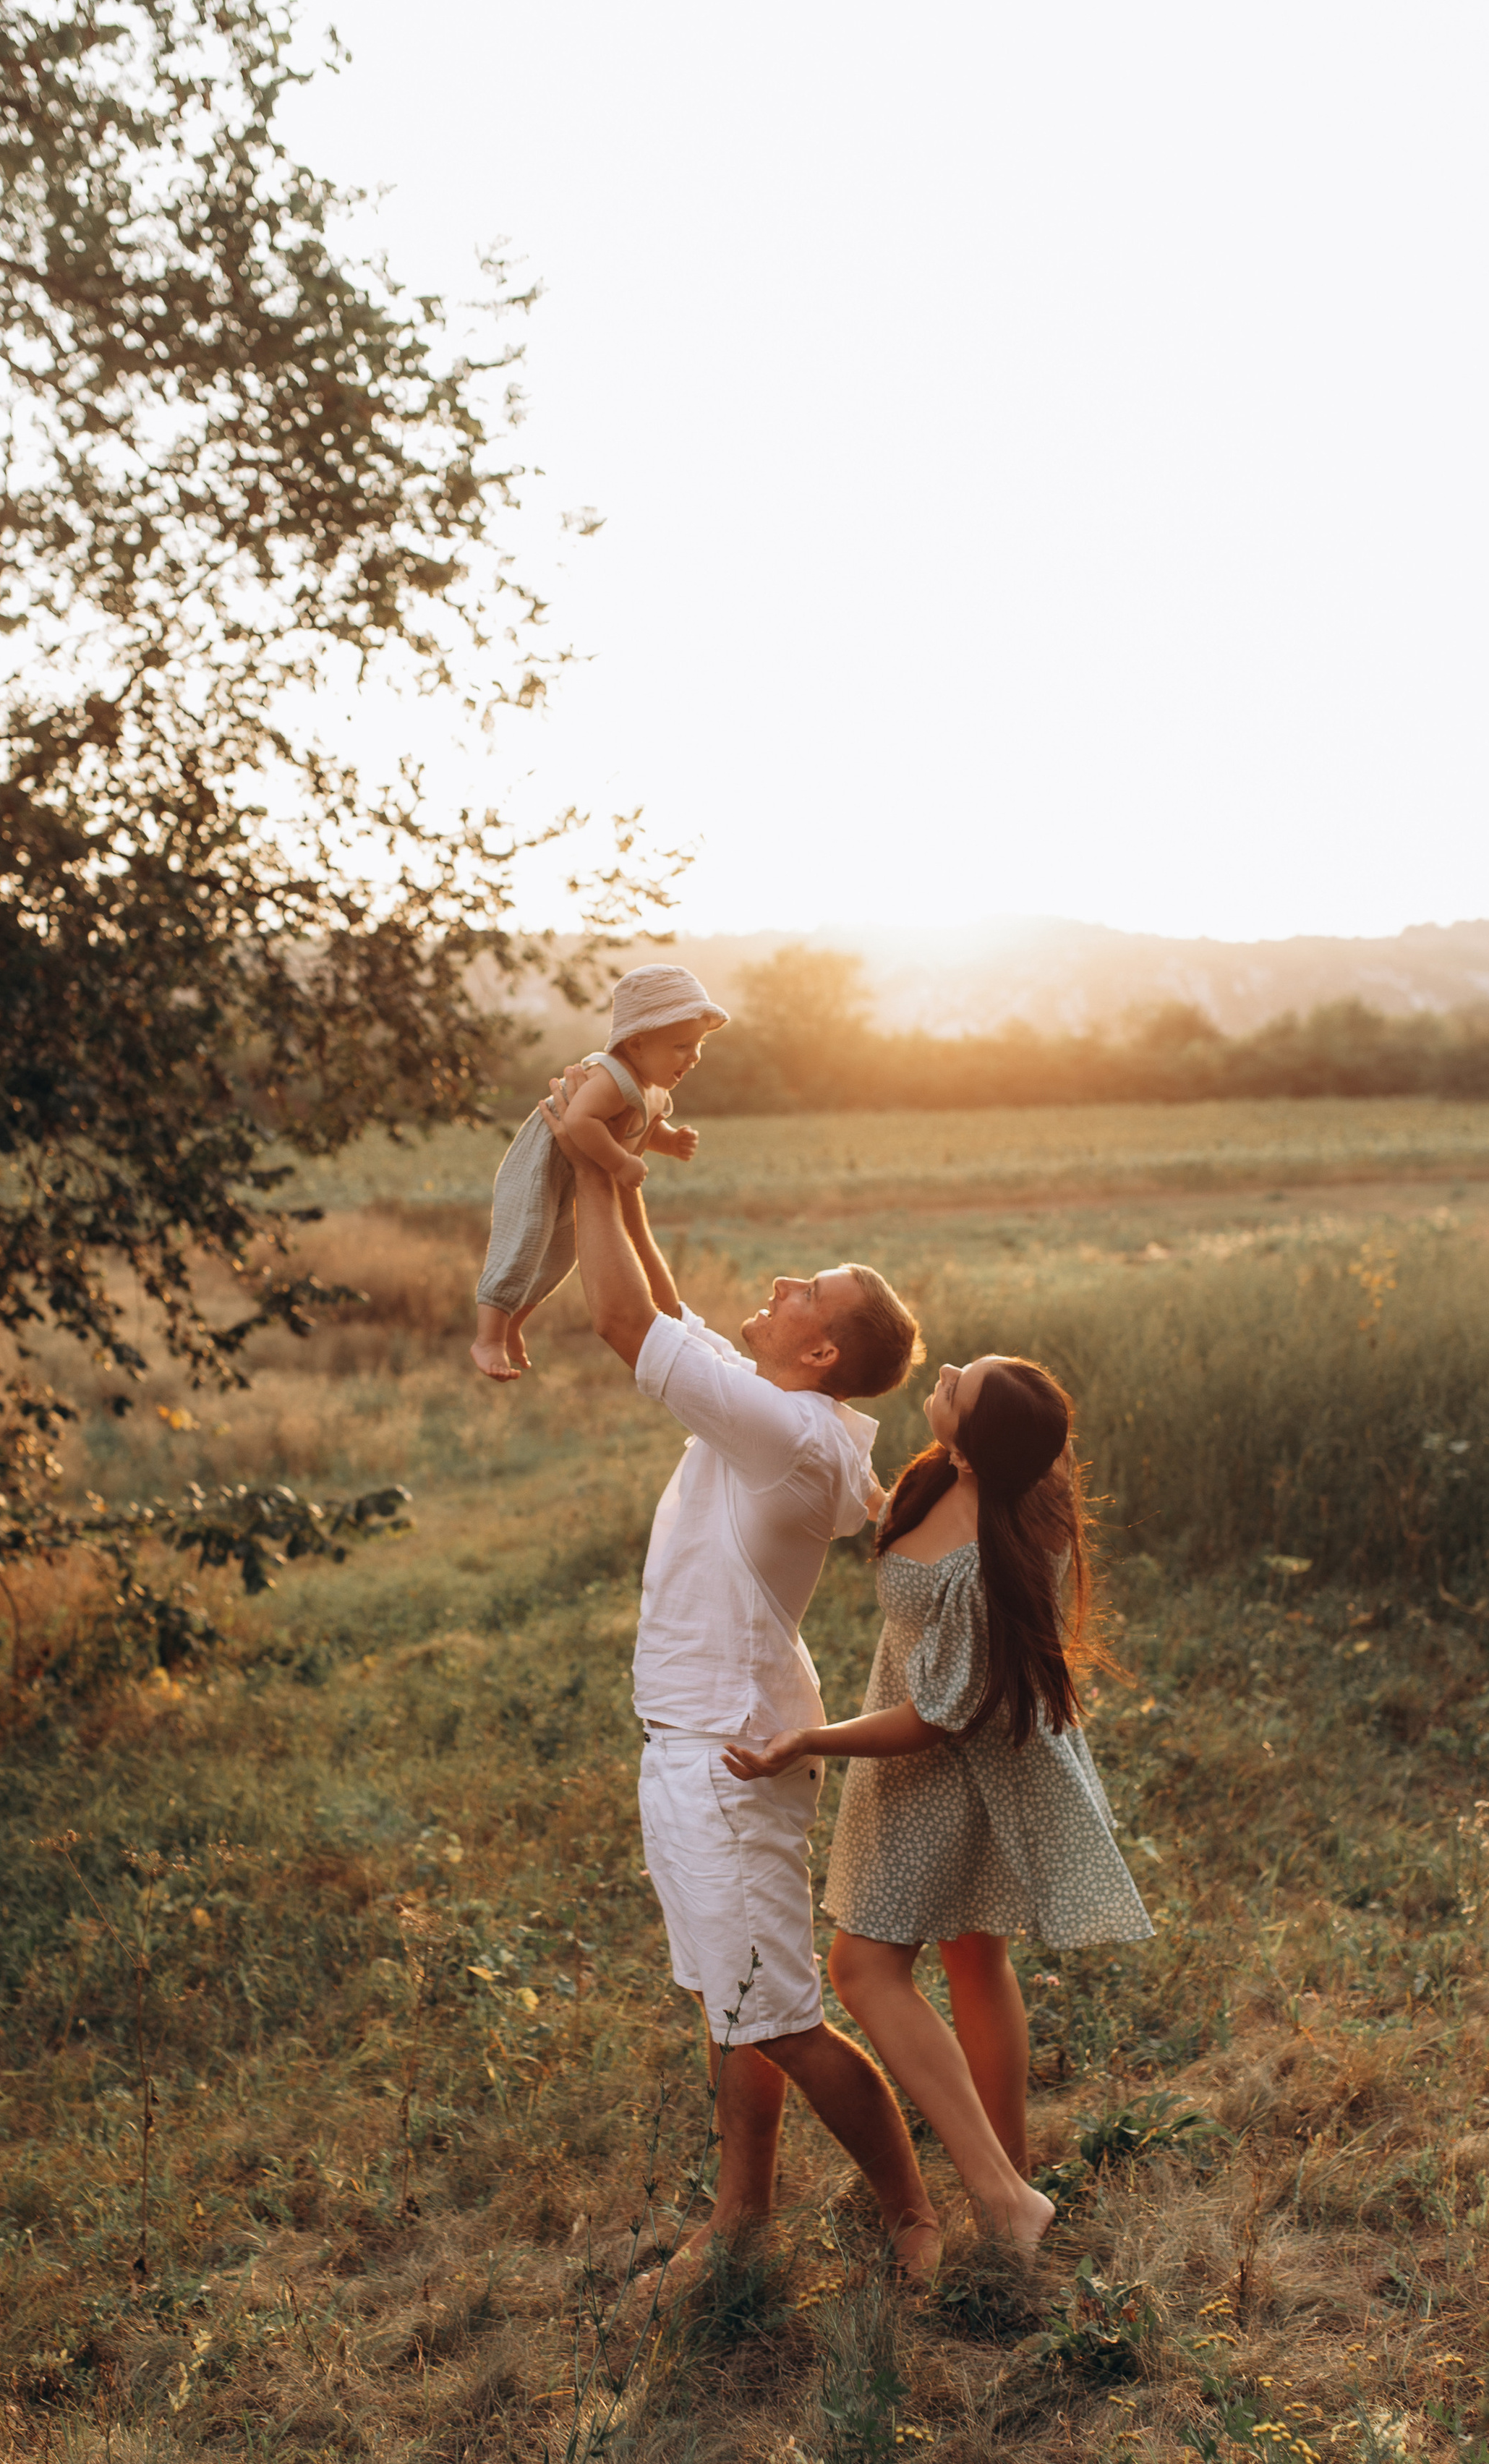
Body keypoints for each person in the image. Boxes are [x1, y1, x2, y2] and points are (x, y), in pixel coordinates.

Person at [536, 1087, 944, 2284]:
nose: (779, 1287)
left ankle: (913, 2214)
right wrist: (619, 1176)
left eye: (805, 1291)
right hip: (695, 1736)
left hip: (728, 1750)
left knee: (778, 2010)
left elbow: (618, 1318)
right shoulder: (779, 1413)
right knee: (736, 1999)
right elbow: (663, 1306)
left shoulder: (790, 1436)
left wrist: (578, 1159)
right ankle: (741, 2220)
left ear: (821, 1353)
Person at [724, 1355, 1152, 2264]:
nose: (947, 1370)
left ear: (973, 1452)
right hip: (974, 1735)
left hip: (952, 1764)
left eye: (957, 1386)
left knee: (863, 1968)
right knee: (970, 1949)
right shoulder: (982, 1480)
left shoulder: (987, 1560)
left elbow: (932, 1719)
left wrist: (808, 1741)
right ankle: (1012, 2181)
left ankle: (1001, 2197)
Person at [470, 963, 728, 1382]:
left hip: (574, 1176)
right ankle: (488, 1337)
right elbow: (580, 1123)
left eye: (698, 1045)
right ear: (637, 1043)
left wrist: (670, 1141)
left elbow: (642, 1126)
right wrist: (621, 1163)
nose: (694, 1057)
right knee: (525, 1240)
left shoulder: (654, 1089)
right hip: (538, 1170)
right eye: (682, 1045)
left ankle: (515, 1323)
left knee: (560, 1258)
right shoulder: (612, 1076)